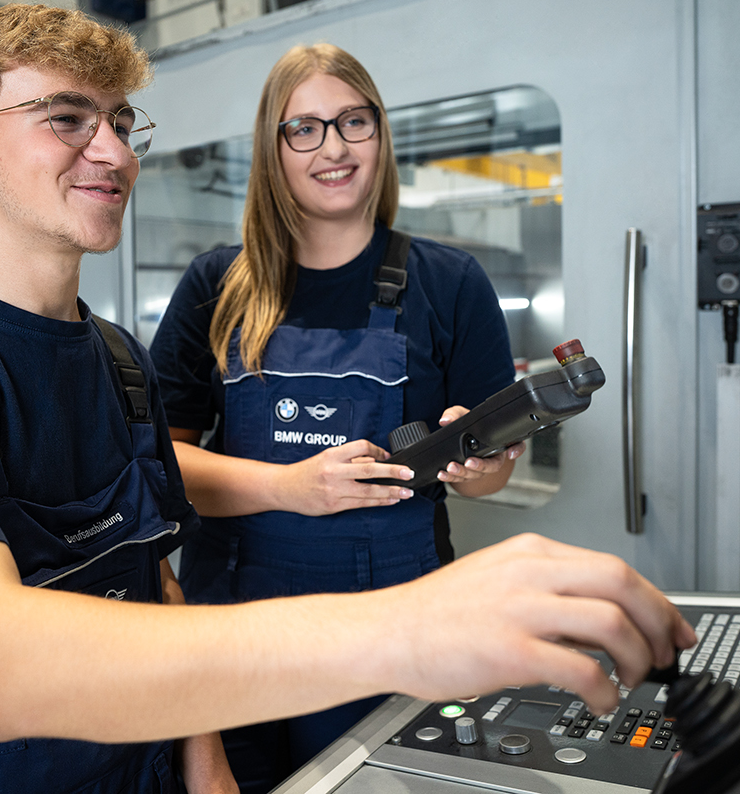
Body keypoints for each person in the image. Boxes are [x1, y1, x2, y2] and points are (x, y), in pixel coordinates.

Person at [0, 4, 697, 794]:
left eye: (118, 119)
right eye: (65, 118)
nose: (110, 151)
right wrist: (408, 619)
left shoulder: (116, 362)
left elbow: (155, 574)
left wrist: (205, 759)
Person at [148, 44, 527, 789]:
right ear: (274, 146)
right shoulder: (218, 284)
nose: (334, 147)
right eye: (306, 128)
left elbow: (484, 482)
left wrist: (484, 464)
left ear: (381, 134)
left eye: (354, 122)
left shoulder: (448, 284)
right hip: (236, 631)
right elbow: (161, 467)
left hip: (392, 629)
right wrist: (290, 487)